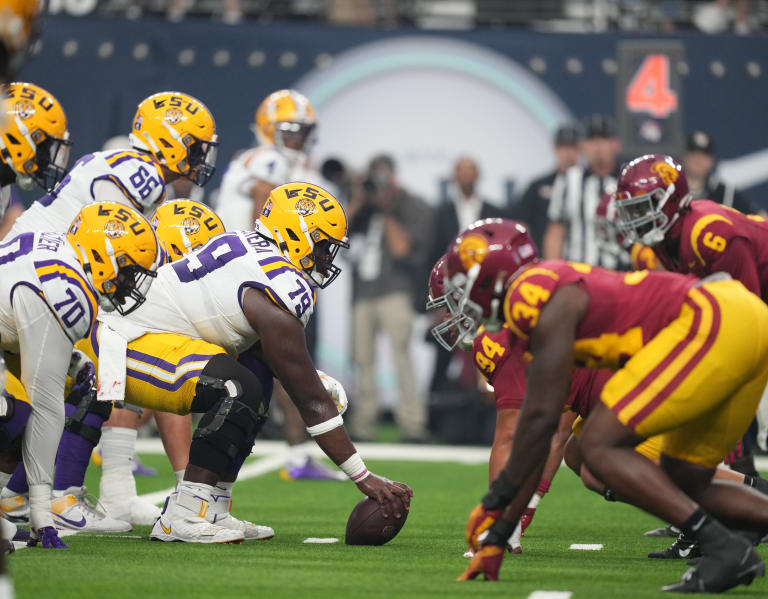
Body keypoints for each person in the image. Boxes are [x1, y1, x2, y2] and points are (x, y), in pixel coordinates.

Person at [440, 219, 768, 592]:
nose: (460, 301)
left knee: (596, 446)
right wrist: (500, 529)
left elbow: (541, 422)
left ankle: (724, 547)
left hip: (713, 321)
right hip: (744, 316)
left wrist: (498, 508)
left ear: (490, 280)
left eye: (462, 287)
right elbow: (539, 430)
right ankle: (726, 547)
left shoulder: (529, 298)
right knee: (685, 476)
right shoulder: (539, 291)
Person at [77, 182, 412, 543]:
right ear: (297, 234)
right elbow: (310, 402)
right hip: (118, 345)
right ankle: (185, 513)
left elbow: (262, 352)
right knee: (236, 387)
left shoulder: (249, 248)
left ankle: (213, 507)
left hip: (145, 339)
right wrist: (363, 476)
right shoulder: (281, 284)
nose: (327, 258)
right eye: (323, 246)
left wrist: (312, 377)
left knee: (253, 381)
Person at [1, 90, 220, 528]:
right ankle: (60, 496)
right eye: (195, 146)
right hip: (44, 281)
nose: (200, 157)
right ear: (170, 142)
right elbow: (115, 251)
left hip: (37, 273)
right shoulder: (143, 178)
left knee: (87, 378)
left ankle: (21, 496)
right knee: (97, 375)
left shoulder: (120, 163)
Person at [0, 201, 161, 548]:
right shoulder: (67, 289)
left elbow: (12, 336)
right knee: (13, 413)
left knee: (14, 410)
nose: (129, 284)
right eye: (128, 271)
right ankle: (34, 505)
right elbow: (46, 404)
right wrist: (43, 513)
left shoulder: (50, 246)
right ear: (103, 254)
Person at [216, 89, 345, 481]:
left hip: (236, 278)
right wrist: (274, 265)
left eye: (304, 132)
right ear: (270, 130)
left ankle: (298, 455)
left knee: (286, 368)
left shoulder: (253, 160)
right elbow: (264, 201)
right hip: (246, 283)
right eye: (291, 131)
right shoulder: (266, 161)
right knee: (285, 368)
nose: (299, 140)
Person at [347, 154, 431, 442]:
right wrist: (359, 199)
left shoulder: (411, 205)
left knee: (402, 357)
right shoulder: (362, 209)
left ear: (394, 177)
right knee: (362, 360)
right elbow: (333, 234)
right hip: (363, 293)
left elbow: (402, 249)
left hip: (395, 290)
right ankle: (363, 425)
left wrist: (385, 210)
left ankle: (413, 424)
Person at [543, 115, 623, 268]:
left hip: (622, 273)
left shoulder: (630, 180)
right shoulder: (568, 179)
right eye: (592, 140)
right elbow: (556, 231)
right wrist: (553, 270)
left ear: (616, 144)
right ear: (583, 146)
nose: (598, 146)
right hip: (579, 274)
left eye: (604, 139)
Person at [516, 125, 581, 250]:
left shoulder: (589, 185)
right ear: (555, 148)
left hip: (580, 255)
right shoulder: (537, 186)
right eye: (563, 146)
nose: (567, 153)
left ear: (580, 149)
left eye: (572, 147)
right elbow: (522, 223)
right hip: (541, 257)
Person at [683, 130, 755, 214]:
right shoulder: (671, 188)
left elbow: (758, 218)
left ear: (712, 160)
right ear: (684, 156)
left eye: (704, 155)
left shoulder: (726, 195)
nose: (698, 159)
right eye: (694, 153)